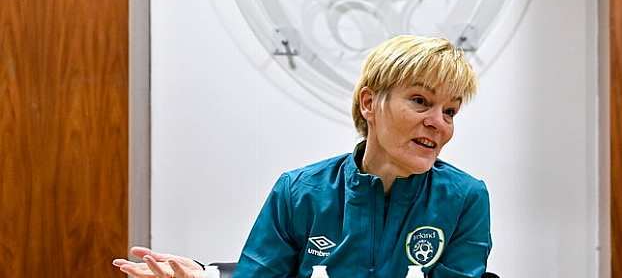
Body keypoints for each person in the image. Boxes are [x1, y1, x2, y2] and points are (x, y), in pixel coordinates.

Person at [113, 35, 491, 278]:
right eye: (421, 101)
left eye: (450, 111)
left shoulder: (465, 198)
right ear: (370, 103)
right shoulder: (299, 191)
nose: (437, 123)